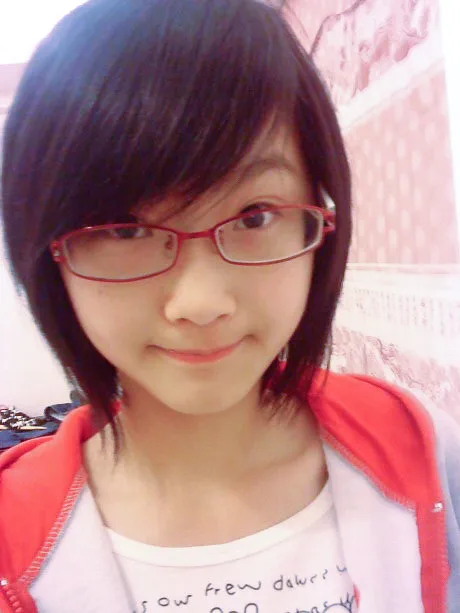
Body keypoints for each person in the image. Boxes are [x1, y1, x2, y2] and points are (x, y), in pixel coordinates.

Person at [0, 0, 458, 611]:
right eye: (125, 229)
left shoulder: (422, 447)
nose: (201, 303)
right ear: (48, 253)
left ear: (320, 221)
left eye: (255, 216)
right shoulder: (12, 534)